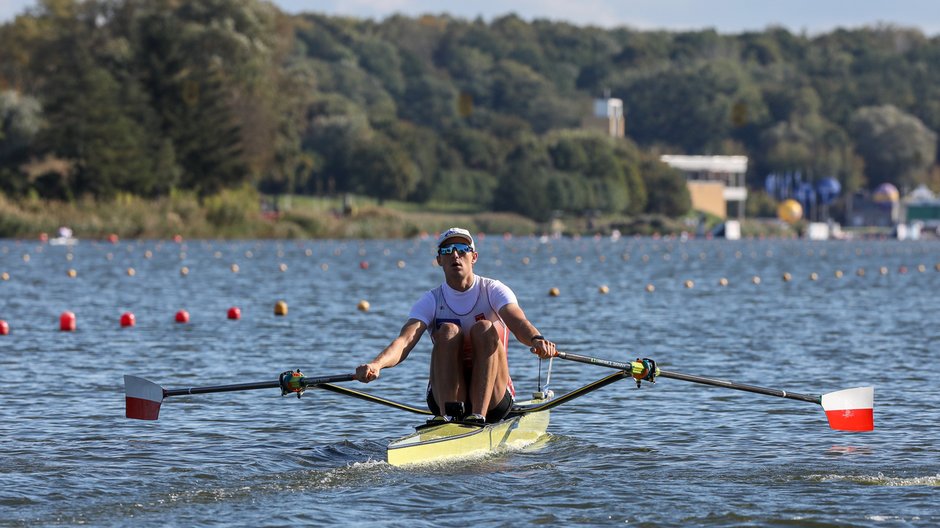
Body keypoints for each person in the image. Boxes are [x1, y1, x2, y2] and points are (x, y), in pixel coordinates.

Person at [354, 227, 557, 424]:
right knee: (449, 331)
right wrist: (376, 364)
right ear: (439, 260)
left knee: (484, 328)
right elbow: (404, 341)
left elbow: (517, 321)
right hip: (446, 397)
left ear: (474, 257)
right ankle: (448, 418)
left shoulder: (493, 290)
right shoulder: (431, 300)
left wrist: (536, 339)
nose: (455, 255)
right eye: (447, 251)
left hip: (494, 399)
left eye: (462, 249)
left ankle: (478, 415)